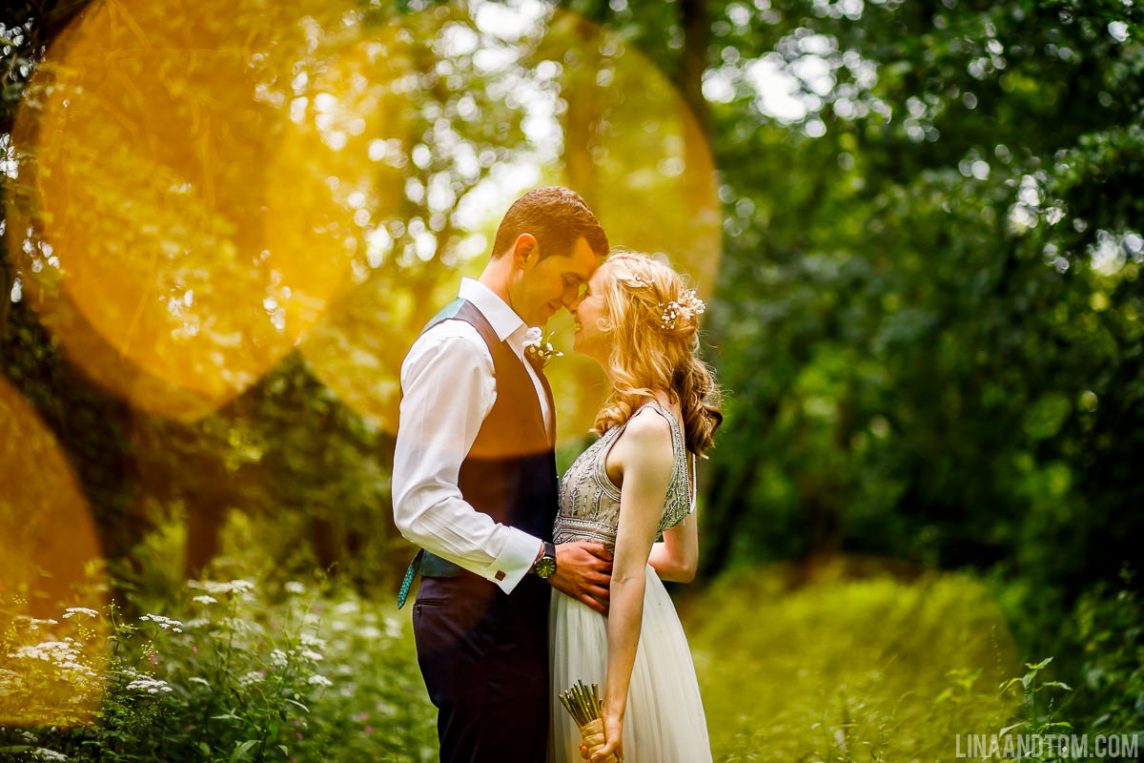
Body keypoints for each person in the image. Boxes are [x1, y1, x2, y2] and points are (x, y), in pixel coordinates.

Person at [392, 187, 614, 762]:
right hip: (475, 622)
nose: (572, 301)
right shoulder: (460, 346)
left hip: (506, 615)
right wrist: (543, 560)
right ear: (524, 250)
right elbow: (419, 503)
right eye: (570, 280)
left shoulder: (513, 348)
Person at [549, 250, 722, 763]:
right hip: (606, 619)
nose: (574, 306)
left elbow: (629, 575)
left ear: (618, 315)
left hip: (598, 637)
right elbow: (680, 562)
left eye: (589, 294)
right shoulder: (666, 414)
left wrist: (615, 710)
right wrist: (600, 554)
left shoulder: (649, 427)